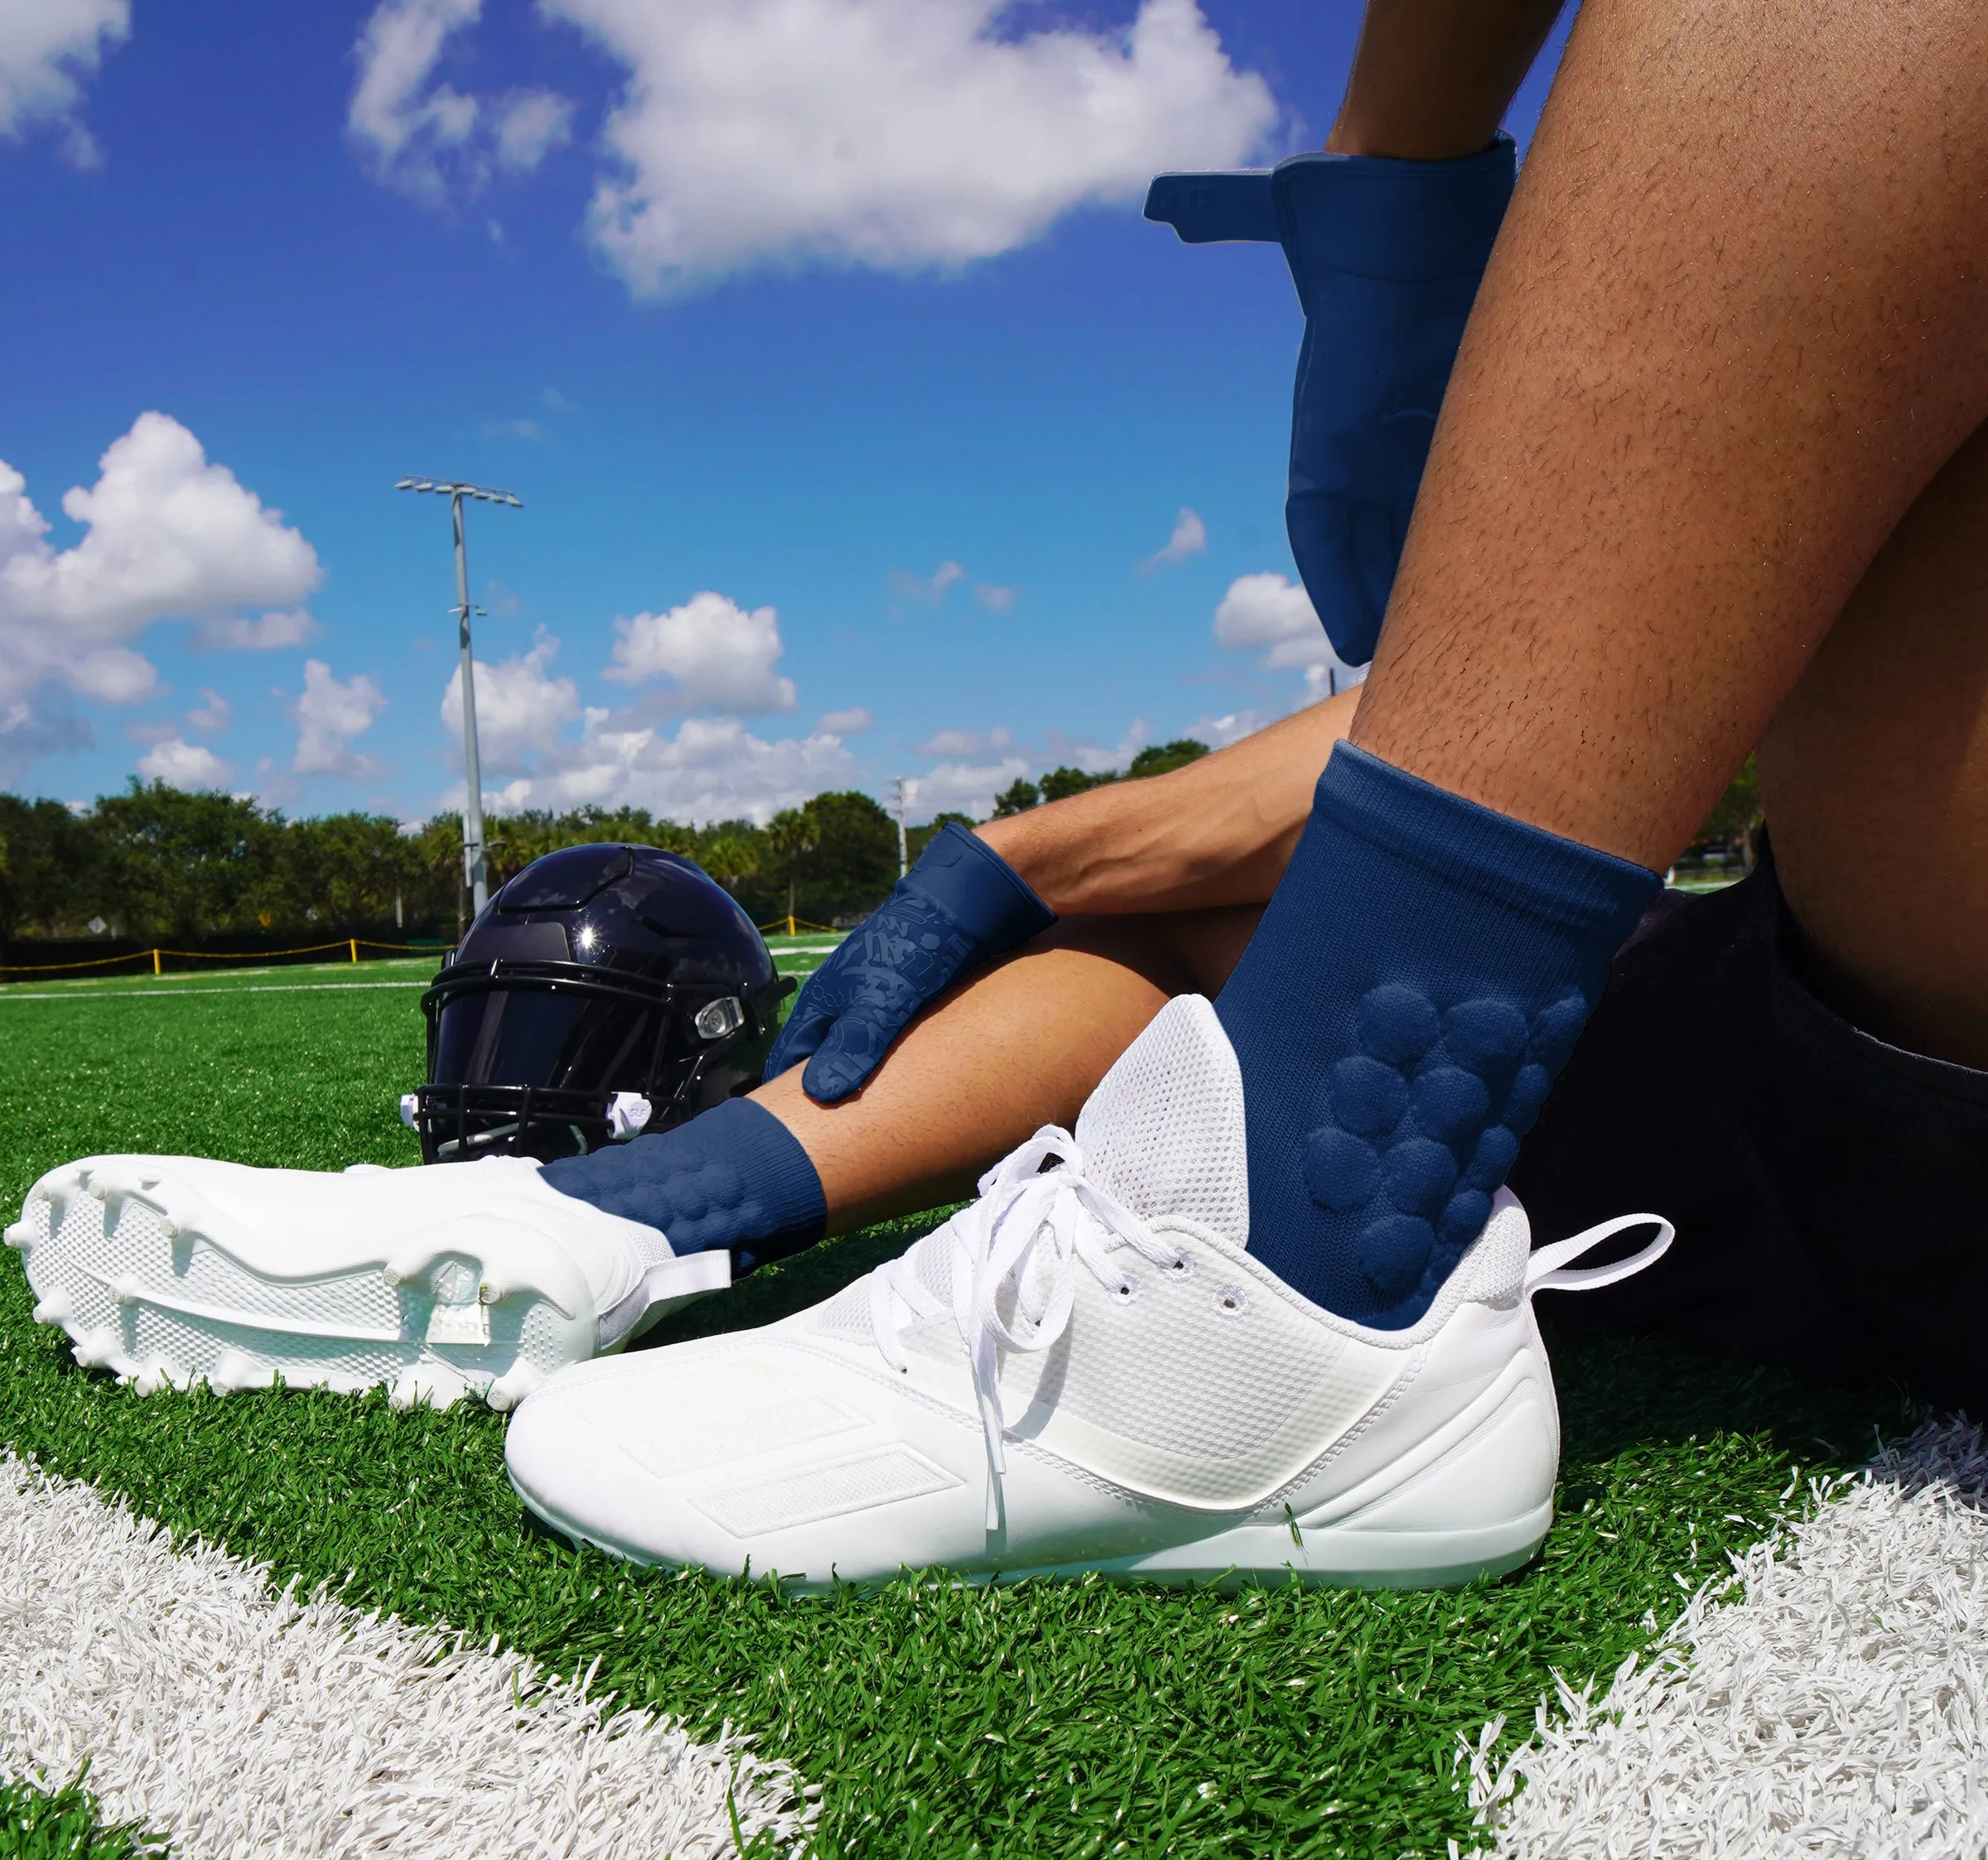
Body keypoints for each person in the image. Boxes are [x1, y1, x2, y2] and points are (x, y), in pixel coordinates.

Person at [19, 0, 1988, 1581]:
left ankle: (1300, 1287)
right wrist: (1043, 869)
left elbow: (1643, 690)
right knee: (1232, 933)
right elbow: (1536, 751)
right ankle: (618, 1214)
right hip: (1806, 1033)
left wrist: (1018, 852)